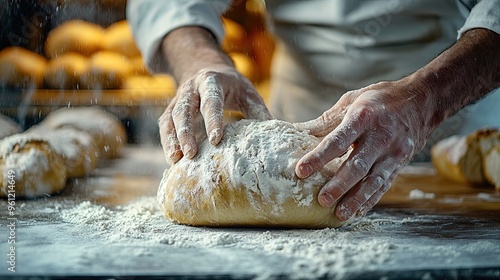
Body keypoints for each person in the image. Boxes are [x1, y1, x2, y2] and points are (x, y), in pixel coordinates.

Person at [127, 0, 500, 221]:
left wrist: (427, 99)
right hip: (296, 118)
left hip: (455, 113)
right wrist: (200, 61)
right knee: (282, 189)